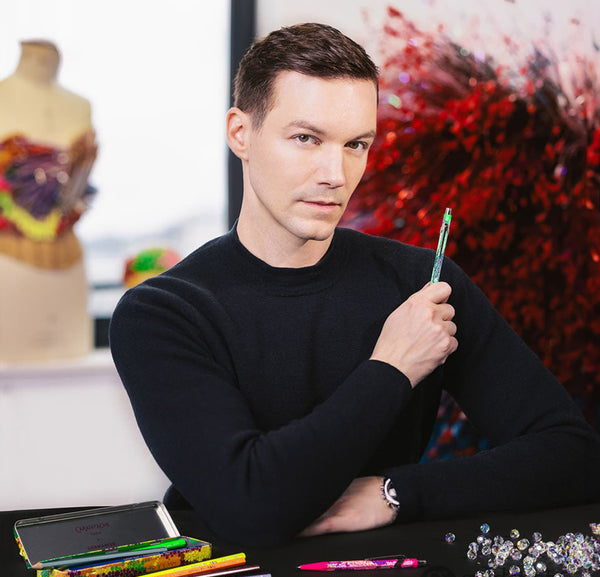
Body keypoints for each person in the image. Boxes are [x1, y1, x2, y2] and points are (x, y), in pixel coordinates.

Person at [110, 23, 600, 547]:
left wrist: (396, 493)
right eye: (306, 138)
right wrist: (392, 367)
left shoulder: (421, 284)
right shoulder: (162, 313)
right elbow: (248, 506)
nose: (335, 174)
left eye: (355, 144)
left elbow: (574, 455)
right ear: (240, 134)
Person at [0, 40, 97, 362]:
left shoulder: (80, 105)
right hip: (8, 262)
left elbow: (77, 192)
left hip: (68, 260)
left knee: (71, 367)